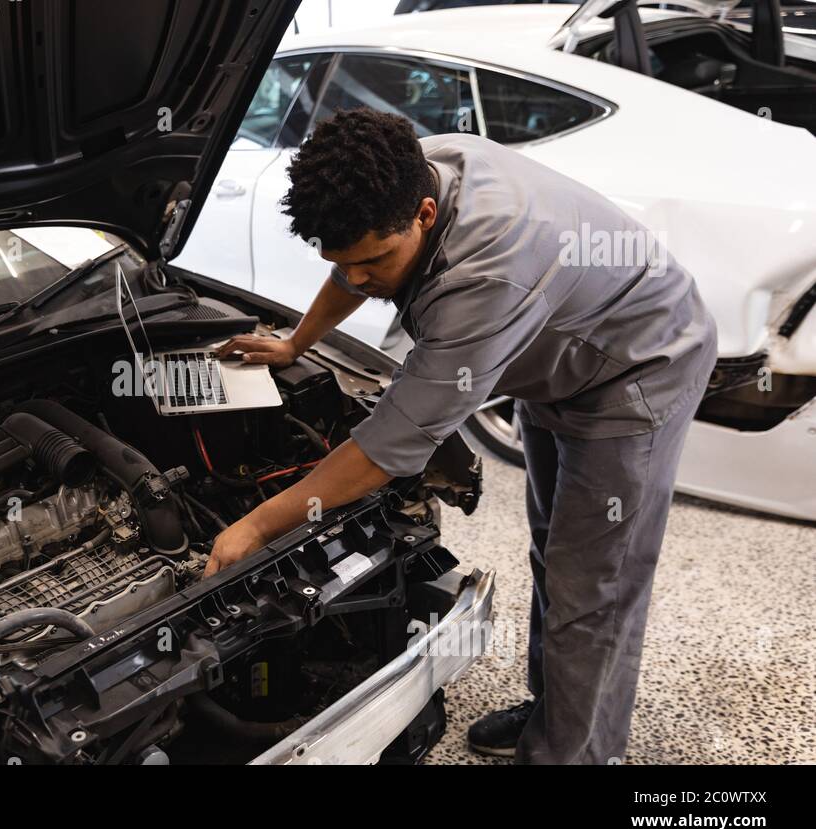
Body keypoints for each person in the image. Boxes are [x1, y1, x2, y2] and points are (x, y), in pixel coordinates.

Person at [204, 108, 717, 764]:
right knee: (554, 550)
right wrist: (297, 341)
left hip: (640, 368)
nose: (361, 278)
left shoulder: (487, 270)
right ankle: (555, 714)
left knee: (594, 582)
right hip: (561, 357)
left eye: (375, 262)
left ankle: (574, 754)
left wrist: (257, 524)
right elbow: (353, 264)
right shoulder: (406, 169)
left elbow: (386, 447)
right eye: (344, 262)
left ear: (422, 214)